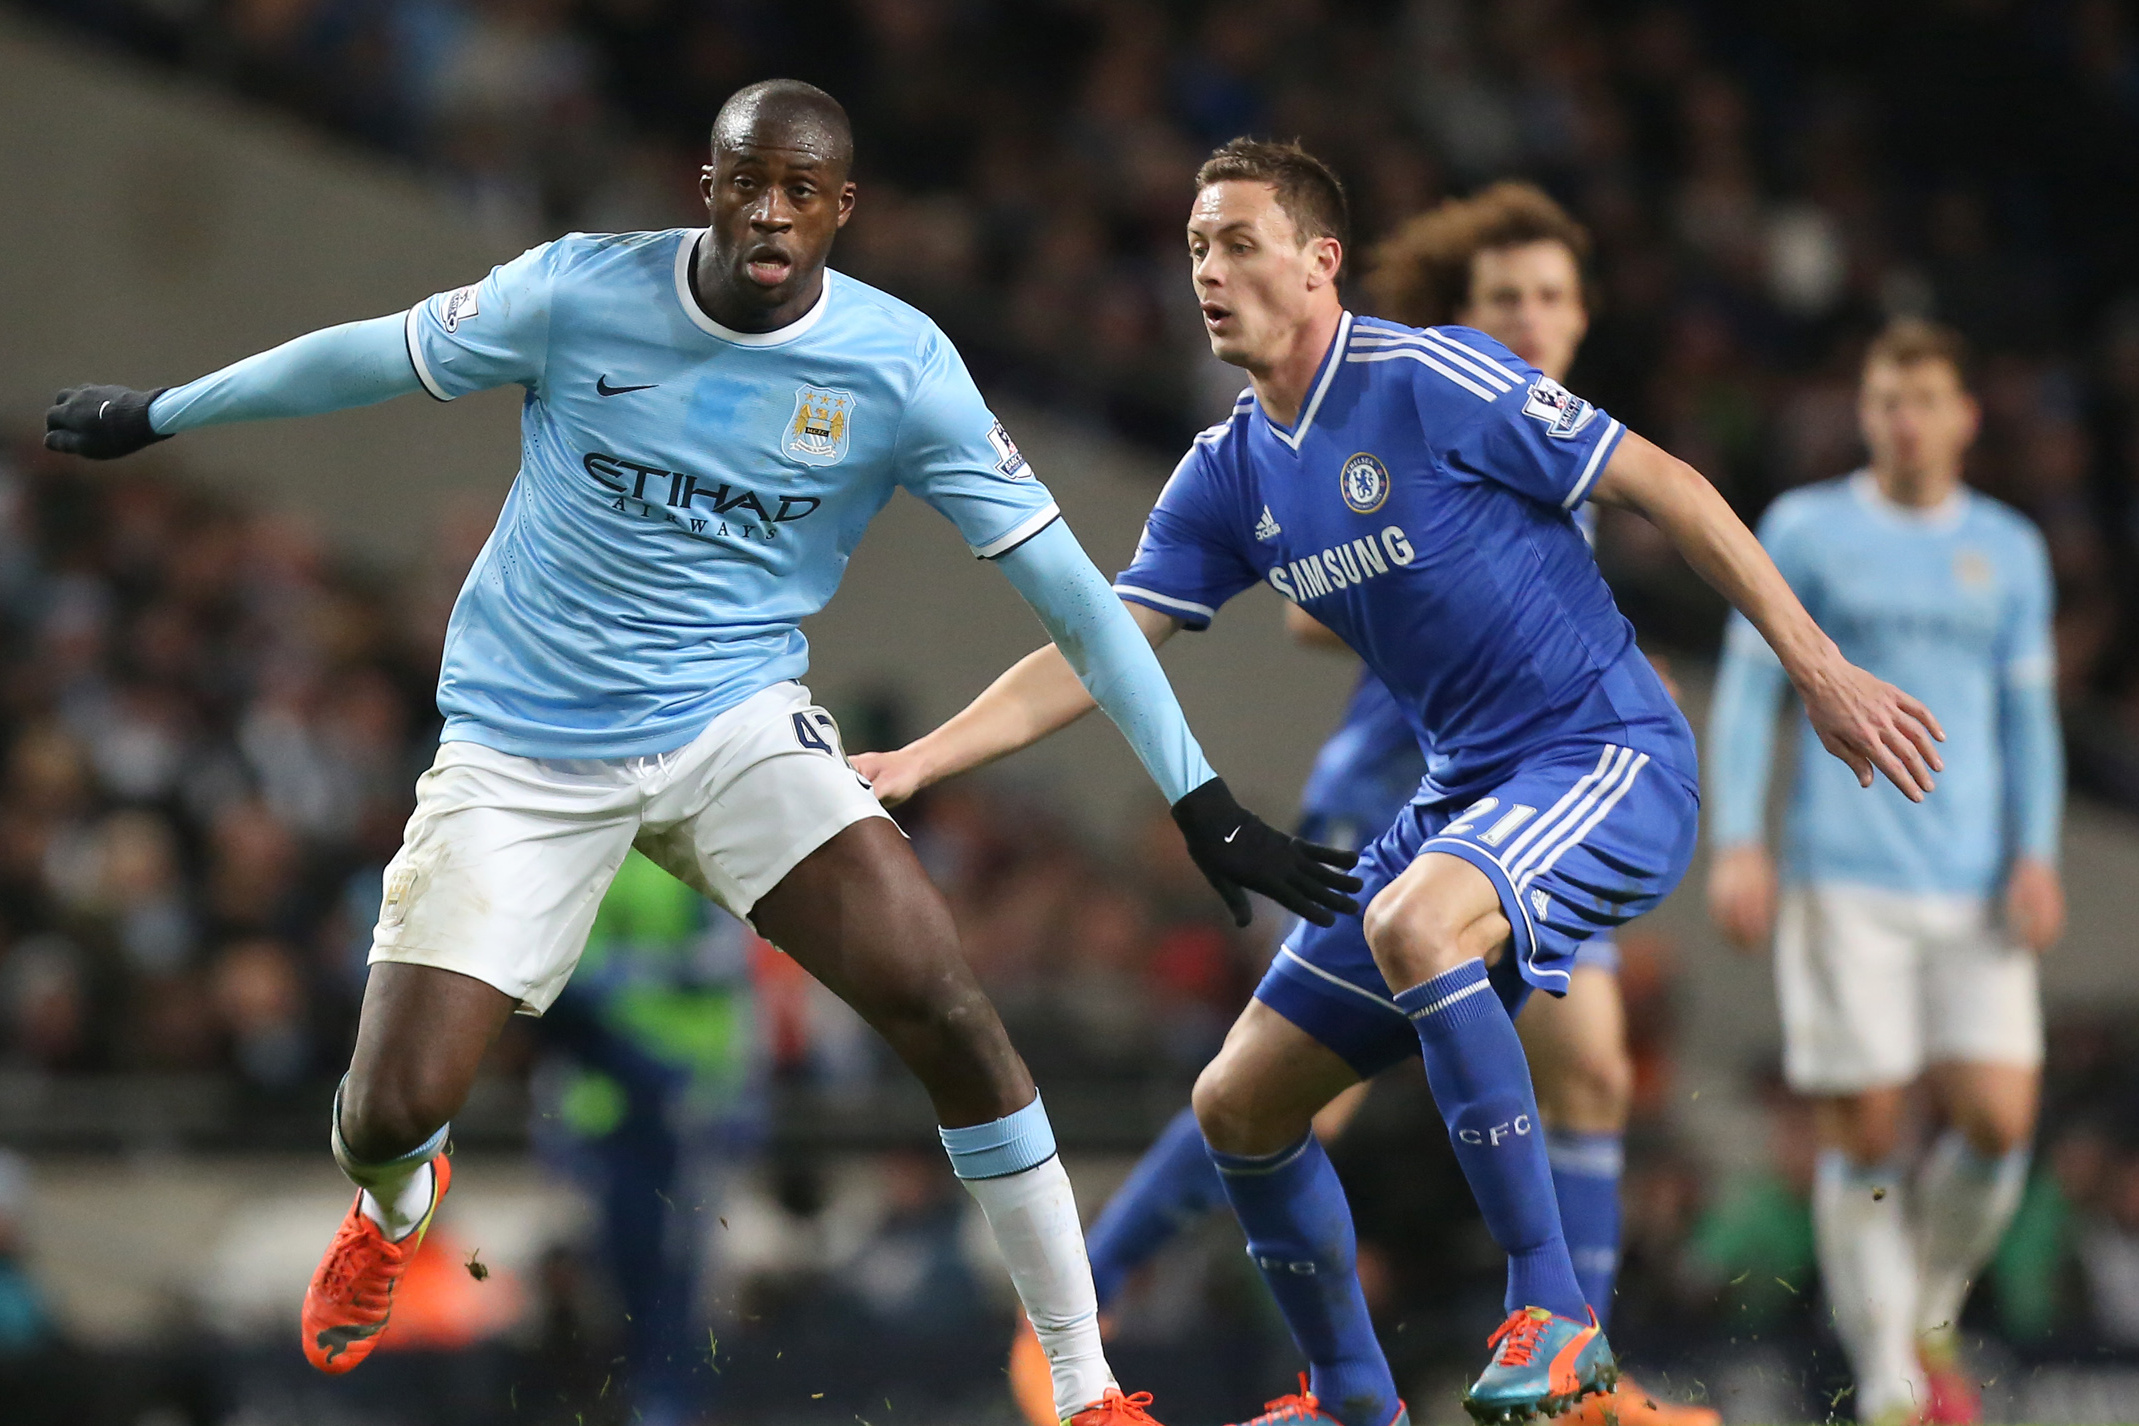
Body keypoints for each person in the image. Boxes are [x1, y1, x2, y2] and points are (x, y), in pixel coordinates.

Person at [41, 81, 1363, 1426]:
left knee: (941, 993)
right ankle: (396, 1200)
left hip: (730, 722)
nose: (772, 211)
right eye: (750, 182)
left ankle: (1084, 1387)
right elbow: (371, 351)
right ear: (709, 185)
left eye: (803, 190)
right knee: (386, 1106)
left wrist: (1199, 797)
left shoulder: (897, 366)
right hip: (522, 745)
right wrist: (163, 413)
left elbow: (1080, 601)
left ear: (841, 207)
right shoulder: (576, 291)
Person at [854, 138, 1942, 1426]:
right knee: (1239, 1100)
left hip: (1605, 755)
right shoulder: (1229, 470)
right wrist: (918, 761)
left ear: (1321, 264)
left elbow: (1668, 486)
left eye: (1240, 242)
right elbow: (1098, 644)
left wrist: (1819, 668)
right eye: (1198, 246)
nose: (1209, 269)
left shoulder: (1428, 375)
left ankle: (1560, 1315)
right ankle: (1352, 1398)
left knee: (1428, 927)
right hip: (1464, 795)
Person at [988, 182, 1712, 1426]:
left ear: (1585, 318)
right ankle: (1091, 1302)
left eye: (1550, 299)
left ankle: (1562, 1354)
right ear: (1466, 314)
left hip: (1531, 797)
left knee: (1582, 1062)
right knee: (1297, 1081)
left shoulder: (1551, 457)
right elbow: (1296, 601)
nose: (1527, 323)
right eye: (1504, 301)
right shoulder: (1434, 401)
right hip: (1398, 797)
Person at [1706, 318, 2061, 1426]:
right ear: (1865, 415)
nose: (1902, 422)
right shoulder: (1806, 530)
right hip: (1843, 873)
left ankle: (1932, 1300)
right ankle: (1889, 1386)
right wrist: (1739, 843)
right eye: (1884, 402)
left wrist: (2038, 852)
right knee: (1863, 1127)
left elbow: (2029, 721)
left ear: (1964, 417)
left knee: (1999, 1121)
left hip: (1973, 885)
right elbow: (1749, 691)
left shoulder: (2008, 549)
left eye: (1923, 401)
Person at [531, 849, 763, 1426]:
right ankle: (637, 1400)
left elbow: (726, 959)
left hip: (683, 1093)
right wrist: (554, 1110)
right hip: (607, 1101)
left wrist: (740, 1090)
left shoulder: (697, 848)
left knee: (678, 1266)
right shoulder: (581, 846)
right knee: (615, 1268)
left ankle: (670, 1405)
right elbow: (547, 972)